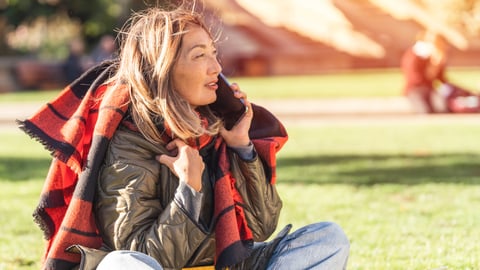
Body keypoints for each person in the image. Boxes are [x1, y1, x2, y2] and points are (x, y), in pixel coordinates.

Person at [19, 4, 349, 270]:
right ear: (164, 70)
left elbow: (261, 227)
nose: (215, 68)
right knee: (121, 265)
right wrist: (189, 190)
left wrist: (242, 148)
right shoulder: (128, 141)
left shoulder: (217, 127)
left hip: (221, 264)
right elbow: (143, 254)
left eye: (213, 53)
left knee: (327, 238)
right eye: (199, 55)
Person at [401, 31, 480, 113]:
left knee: (442, 107)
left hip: (430, 89)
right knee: (425, 110)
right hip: (416, 89)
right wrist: (433, 66)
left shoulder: (436, 58)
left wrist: (464, 91)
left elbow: (441, 80)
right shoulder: (414, 56)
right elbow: (415, 78)